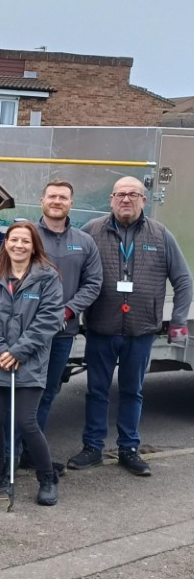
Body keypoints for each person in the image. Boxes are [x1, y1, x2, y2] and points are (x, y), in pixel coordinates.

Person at [68, 176, 193, 477]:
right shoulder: (91, 232)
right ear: (111, 199)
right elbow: (71, 271)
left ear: (143, 200)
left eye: (133, 194)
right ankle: (93, 448)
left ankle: (129, 449)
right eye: (121, 194)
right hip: (101, 327)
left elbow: (183, 280)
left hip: (141, 331)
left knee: (132, 391)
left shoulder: (161, 235)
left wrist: (177, 320)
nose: (126, 199)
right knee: (97, 391)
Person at [14, 181, 101, 472]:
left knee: (46, 392)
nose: (57, 201)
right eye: (52, 196)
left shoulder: (84, 241)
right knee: (17, 391)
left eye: (63, 197)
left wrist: (68, 309)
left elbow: (93, 283)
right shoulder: (26, 237)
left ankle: (30, 453)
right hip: (25, 333)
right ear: (42, 200)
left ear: (71, 204)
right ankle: (8, 457)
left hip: (62, 332)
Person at [0, 220, 64, 506]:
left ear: (33, 245)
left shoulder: (47, 277)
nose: (19, 245)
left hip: (30, 363)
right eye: (14, 240)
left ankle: (47, 478)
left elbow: (49, 320)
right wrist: (0, 350)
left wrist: (18, 352)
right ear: (5, 243)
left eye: (25, 241)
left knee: (26, 422)